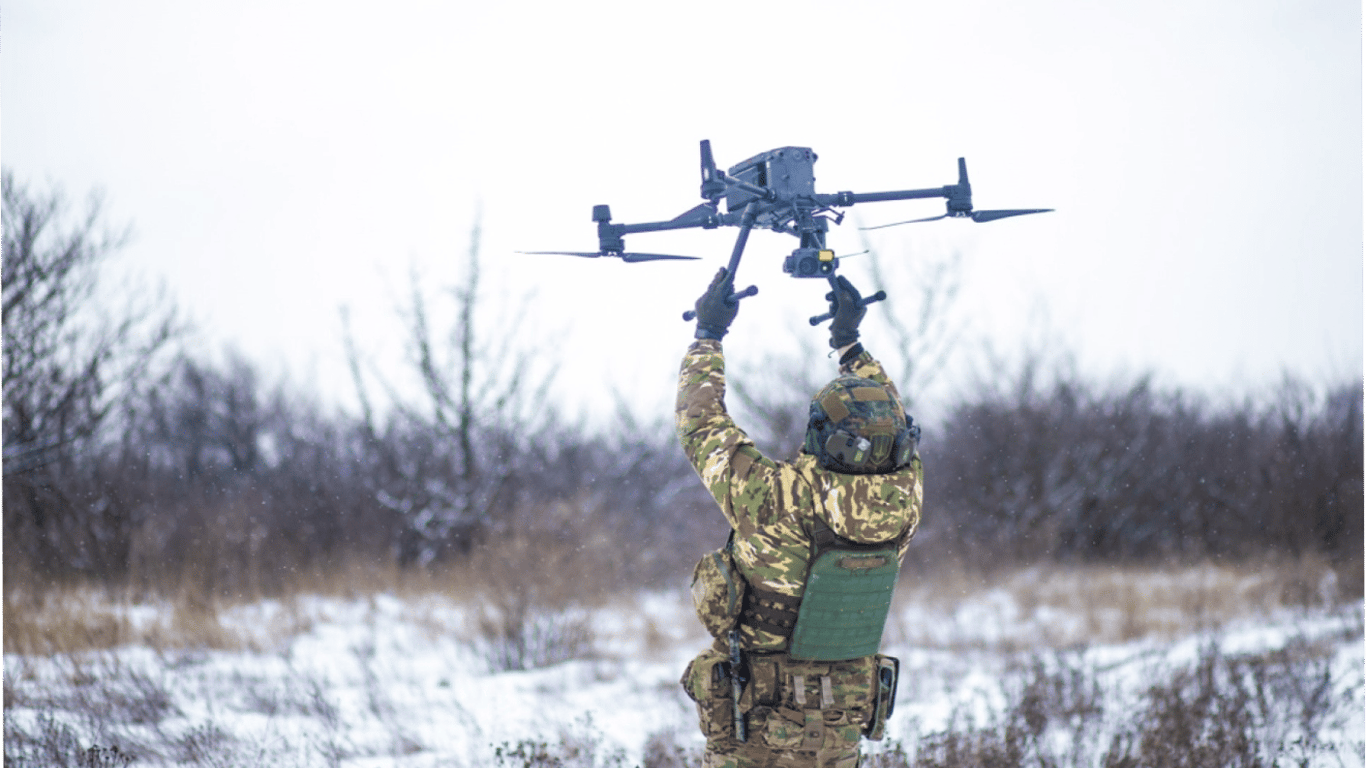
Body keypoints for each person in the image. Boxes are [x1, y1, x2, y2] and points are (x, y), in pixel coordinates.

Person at [677, 268, 924, 768]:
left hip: (756, 725)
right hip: (840, 724)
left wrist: (708, 335)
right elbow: (889, 417)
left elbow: (701, 425)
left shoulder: (778, 496)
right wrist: (850, 343)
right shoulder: (907, 497)